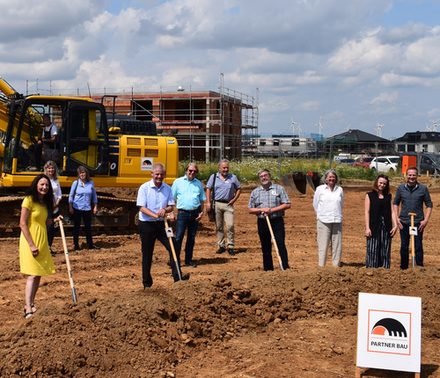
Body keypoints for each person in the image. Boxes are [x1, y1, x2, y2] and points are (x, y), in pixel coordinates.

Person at [136, 163, 189, 288]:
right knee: (147, 253)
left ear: (164, 175)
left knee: (174, 246)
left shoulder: (167, 188)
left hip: (163, 225)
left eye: (161, 174)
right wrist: (154, 215)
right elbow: (141, 207)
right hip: (147, 224)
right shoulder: (144, 188)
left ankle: (178, 277)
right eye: (157, 174)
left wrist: (165, 210)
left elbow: (171, 206)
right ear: (152, 174)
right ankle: (147, 284)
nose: (159, 177)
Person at [19, 174, 56, 319]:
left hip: (42, 240)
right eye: (42, 184)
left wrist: (54, 219)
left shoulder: (44, 203)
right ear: (36, 185)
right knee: (32, 274)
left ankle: (32, 303)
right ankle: (27, 308)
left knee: (38, 274)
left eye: (46, 185)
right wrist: (31, 245)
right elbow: (22, 223)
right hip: (30, 241)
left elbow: (44, 222)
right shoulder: (28, 200)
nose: (44, 187)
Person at [248, 169, 291, 271]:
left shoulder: (279, 189)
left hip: (277, 220)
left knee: (280, 243)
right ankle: (268, 269)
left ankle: (285, 267)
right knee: (265, 246)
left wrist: (271, 210)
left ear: (269, 176)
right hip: (262, 221)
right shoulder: (255, 192)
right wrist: (261, 210)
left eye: (265, 175)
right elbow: (250, 209)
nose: (264, 178)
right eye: (261, 176)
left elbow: (287, 204)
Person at [393, 166, 433, 269]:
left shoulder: (423, 189)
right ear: (407, 175)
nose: (411, 177)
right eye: (410, 175)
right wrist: (397, 218)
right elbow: (395, 203)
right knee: (404, 246)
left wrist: (425, 220)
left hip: (418, 223)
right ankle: (404, 267)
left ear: (417, 176)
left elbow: (429, 205)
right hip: (404, 222)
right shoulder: (401, 188)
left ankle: (419, 267)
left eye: (414, 175)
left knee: (418, 245)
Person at [171, 162, 206, 267]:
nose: (192, 172)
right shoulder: (177, 182)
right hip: (182, 214)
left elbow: (202, 200)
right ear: (186, 170)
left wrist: (202, 212)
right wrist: (172, 212)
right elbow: (171, 199)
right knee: (178, 237)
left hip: (195, 214)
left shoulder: (198, 184)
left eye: (194, 171)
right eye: (190, 170)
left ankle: (188, 260)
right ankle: (175, 261)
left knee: (191, 238)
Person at [205, 159, 241, 255]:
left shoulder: (233, 177)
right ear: (219, 168)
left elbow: (239, 189)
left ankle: (230, 245)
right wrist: (208, 202)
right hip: (216, 204)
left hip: (228, 205)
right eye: (224, 168)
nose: (225, 169)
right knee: (219, 226)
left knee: (230, 225)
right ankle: (221, 245)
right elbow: (208, 189)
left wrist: (234, 200)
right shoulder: (213, 177)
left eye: (227, 168)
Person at [364, 175, 398, 268]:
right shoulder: (369, 195)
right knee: (373, 248)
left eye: (384, 183)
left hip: (386, 226)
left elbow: (392, 212)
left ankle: (385, 269)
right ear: (376, 183)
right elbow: (367, 212)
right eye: (380, 183)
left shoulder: (388, 196)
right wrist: (367, 228)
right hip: (373, 226)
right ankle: (371, 267)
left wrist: (395, 225)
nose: (382, 185)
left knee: (385, 249)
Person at [313, 169, 344, 267]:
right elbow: (315, 204)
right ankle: (321, 266)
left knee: (337, 245)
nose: (331, 179)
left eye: (333, 177)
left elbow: (341, 204)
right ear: (325, 179)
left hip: (337, 220)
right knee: (323, 245)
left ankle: (336, 266)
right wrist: (319, 216)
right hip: (323, 221)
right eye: (329, 177)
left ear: (336, 179)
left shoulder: (340, 190)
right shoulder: (320, 189)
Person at [68, 166, 99, 250]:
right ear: (78, 174)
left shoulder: (91, 183)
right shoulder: (76, 183)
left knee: (88, 227)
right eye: (80, 173)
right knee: (76, 227)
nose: (82, 174)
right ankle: (76, 245)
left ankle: (90, 244)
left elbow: (94, 195)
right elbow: (71, 195)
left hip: (87, 208)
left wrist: (95, 206)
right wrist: (70, 206)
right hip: (77, 208)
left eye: (83, 172)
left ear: (86, 173)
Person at [44, 160, 62, 254]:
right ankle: (45, 247)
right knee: (46, 228)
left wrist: (56, 204)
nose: (51, 170)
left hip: (55, 207)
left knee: (52, 229)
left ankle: (49, 246)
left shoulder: (56, 180)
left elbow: (59, 194)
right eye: (49, 168)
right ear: (46, 169)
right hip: (46, 207)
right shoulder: (43, 180)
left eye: (52, 168)